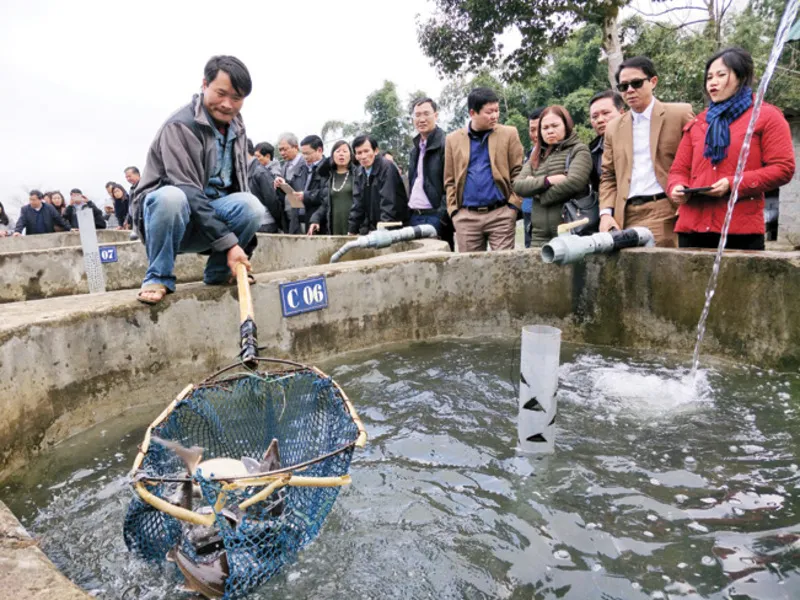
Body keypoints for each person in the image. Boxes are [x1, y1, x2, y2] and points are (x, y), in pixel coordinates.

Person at [130, 55, 264, 305]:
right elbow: (189, 192)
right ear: (204, 84)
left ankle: (219, 272)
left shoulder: (236, 124)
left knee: (252, 205)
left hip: (210, 217)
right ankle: (158, 276)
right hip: (169, 220)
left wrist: (244, 244)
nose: (227, 104)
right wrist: (231, 244)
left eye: (236, 98)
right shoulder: (180, 126)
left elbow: (240, 185)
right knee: (172, 197)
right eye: (221, 93)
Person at [667, 47, 795, 250]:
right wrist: (677, 187)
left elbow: (783, 168)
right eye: (709, 77)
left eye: (721, 75)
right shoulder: (699, 123)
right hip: (692, 228)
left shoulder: (766, 117)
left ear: (741, 77)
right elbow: (678, 171)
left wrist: (734, 183)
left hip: (740, 229)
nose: (713, 82)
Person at [599, 56, 694, 247]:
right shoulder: (613, 128)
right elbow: (608, 175)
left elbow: (697, 160)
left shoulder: (679, 114)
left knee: (662, 273)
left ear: (653, 82)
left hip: (665, 210)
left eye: (636, 83)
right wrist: (605, 214)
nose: (630, 90)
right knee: (629, 276)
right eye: (624, 86)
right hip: (625, 216)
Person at [444, 87, 524, 252]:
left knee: (502, 269)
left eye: (497, 110)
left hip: (501, 214)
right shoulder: (452, 140)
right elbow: (449, 179)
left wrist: (513, 206)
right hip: (466, 217)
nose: (495, 115)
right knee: (470, 271)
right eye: (489, 112)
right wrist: (454, 212)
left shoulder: (509, 134)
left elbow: (519, 172)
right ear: (472, 113)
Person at [512, 106, 592, 246]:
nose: (550, 131)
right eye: (545, 127)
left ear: (566, 125)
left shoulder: (579, 150)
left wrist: (538, 195)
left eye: (555, 126)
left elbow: (574, 182)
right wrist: (548, 181)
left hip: (571, 231)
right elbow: (518, 186)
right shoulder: (536, 155)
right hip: (539, 235)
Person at [408, 97, 451, 247]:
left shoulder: (446, 144)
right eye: (417, 115)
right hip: (414, 215)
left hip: (435, 215)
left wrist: (442, 216)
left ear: (436, 116)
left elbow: (452, 184)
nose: (421, 119)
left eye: (426, 114)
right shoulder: (415, 149)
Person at [348, 135, 409, 234]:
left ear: (375, 151)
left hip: (393, 228)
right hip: (373, 227)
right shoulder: (359, 172)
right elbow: (357, 204)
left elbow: (389, 203)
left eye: (366, 151)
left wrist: (384, 229)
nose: (363, 156)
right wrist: (352, 229)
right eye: (359, 153)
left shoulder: (387, 168)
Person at [308, 140, 358, 235]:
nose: (341, 154)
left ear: (351, 155)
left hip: (354, 228)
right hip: (334, 227)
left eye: (345, 151)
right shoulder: (329, 177)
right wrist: (315, 219)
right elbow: (325, 204)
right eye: (338, 151)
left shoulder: (357, 175)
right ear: (332, 155)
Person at [587, 91, 625, 192]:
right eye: (594, 117)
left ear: (622, 113)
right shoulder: (591, 152)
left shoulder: (640, 140)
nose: (600, 120)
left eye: (605, 113)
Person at [274, 133, 308, 234]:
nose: (282, 153)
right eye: (280, 150)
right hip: (288, 212)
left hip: (301, 213)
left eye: (285, 149)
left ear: (296, 147)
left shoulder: (305, 164)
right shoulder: (284, 167)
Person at [246, 139, 281, 233]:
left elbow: (271, 200)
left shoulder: (260, 172)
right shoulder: (248, 170)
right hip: (255, 222)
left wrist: (280, 222)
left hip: (265, 223)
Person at [521, 107, 545, 248]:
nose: (535, 134)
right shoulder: (530, 154)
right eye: (532, 130)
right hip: (528, 212)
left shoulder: (564, 154)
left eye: (539, 129)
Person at [296, 135, 327, 232]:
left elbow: (326, 194)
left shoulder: (327, 169)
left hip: (321, 220)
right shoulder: (303, 168)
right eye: (303, 154)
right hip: (305, 217)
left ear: (319, 150)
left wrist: (306, 195)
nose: (305, 157)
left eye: (307, 153)